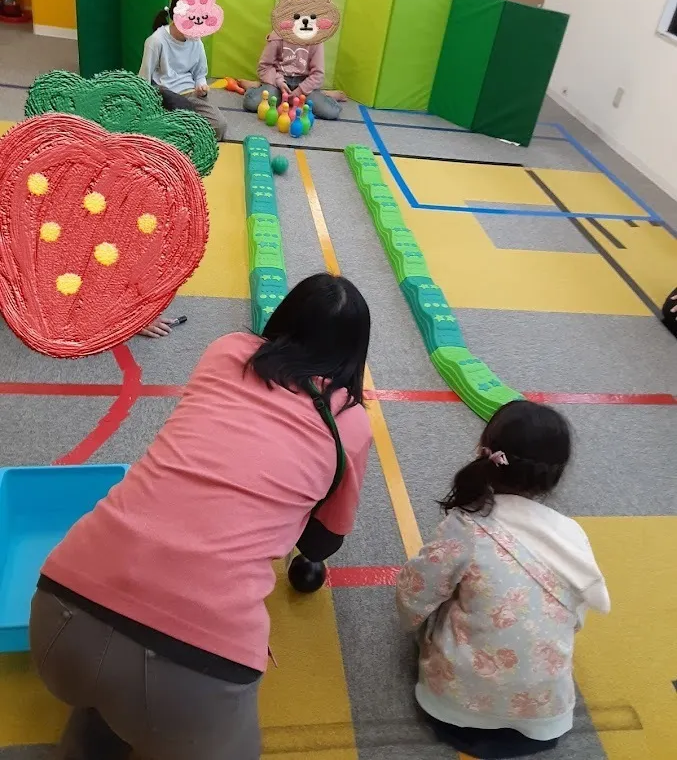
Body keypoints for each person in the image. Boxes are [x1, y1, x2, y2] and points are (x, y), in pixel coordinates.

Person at [29, 273, 372, 760]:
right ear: (353, 355)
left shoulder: (228, 350)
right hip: (197, 667)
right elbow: (321, 545)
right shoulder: (349, 423)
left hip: (56, 617)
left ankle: (102, 715)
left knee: (110, 712)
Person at [396, 400, 610, 760]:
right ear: (556, 474)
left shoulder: (465, 526)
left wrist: (412, 626)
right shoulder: (572, 535)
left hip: (455, 714)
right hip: (543, 725)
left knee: (442, 599)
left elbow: (413, 594)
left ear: (487, 454)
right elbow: (574, 618)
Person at [241, 0, 345, 121]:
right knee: (251, 103)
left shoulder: (316, 40)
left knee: (331, 112)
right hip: (278, 82)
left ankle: (325, 94)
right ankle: (254, 87)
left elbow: (317, 74)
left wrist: (299, 91)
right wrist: (279, 82)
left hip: (304, 83)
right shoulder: (277, 36)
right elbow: (265, 66)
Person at [139, 0, 228, 141]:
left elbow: (200, 74)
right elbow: (143, 80)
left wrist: (202, 87)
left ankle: (178, 128)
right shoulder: (156, 41)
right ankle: (174, 126)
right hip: (164, 95)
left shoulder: (196, 41)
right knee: (173, 112)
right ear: (176, 18)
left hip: (190, 95)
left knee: (219, 126)